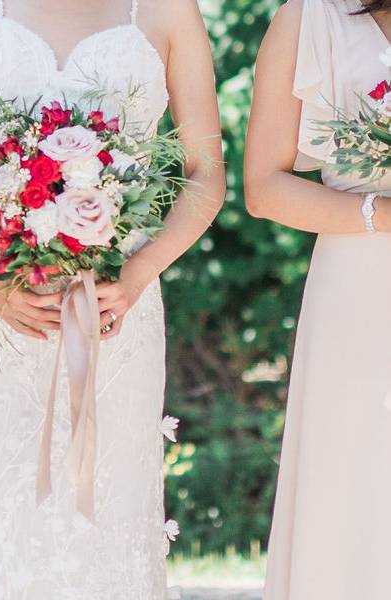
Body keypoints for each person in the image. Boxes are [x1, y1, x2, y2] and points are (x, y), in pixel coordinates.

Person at [0, 0, 225, 597]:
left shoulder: (168, 10)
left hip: (113, 303)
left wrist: (136, 275)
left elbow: (207, 174)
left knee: (100, 510)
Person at [246, 0, 391, 597]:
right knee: (356, 477)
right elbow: (264, 188)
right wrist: (381, 213)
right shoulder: (308, 20)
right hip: (362, 284)